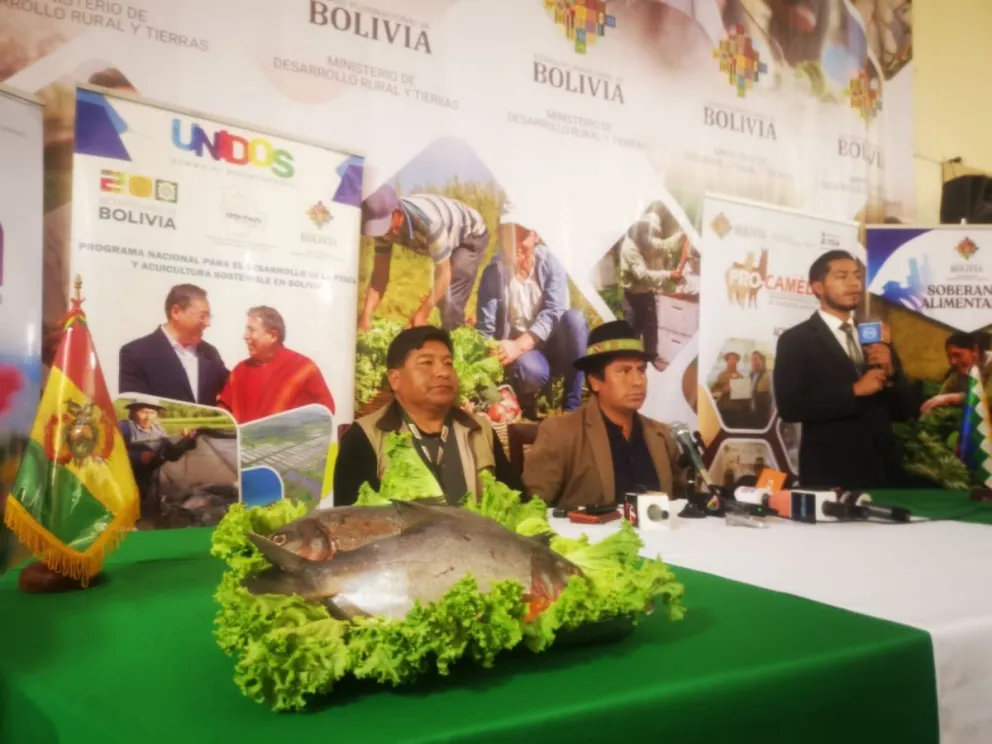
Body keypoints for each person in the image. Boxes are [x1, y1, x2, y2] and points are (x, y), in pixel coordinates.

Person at [773, 250, 917, 490]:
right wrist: (853, 390)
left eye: (857, 276)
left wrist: (893, 373)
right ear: (818, 287)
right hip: (830, 473)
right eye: (842, 276)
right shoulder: (796, 339)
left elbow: (905, 411)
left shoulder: (875, 335)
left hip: (883, 474)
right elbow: (790, 407)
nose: (854, 284)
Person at [334, 326, 521, 506]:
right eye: (426, 363)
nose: (443, 372)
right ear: (395, 379)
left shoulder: (480, 430)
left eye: (448, 363)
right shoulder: (365, 436)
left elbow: (515, 505)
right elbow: (349, 524)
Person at [523, 320, 686, 508]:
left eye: (641, 370)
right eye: (624, 371)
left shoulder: (662, 436)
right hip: (586, 537)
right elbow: (534, 510)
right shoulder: (560, 433)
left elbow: (679, 506)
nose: (638, 381)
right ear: (595, 381)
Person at [475, 204, 588, 413]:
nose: (516, 244)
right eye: (510, 236)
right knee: (529, 370)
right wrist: (494, 351)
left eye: (523, 236)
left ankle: (571, 407)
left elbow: (555, 311)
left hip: (555, 345)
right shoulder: (493, 274)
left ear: (535, 236)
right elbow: (485, 329)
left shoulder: (552, 263)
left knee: (575, 320)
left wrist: (518, 346)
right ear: (501, 237)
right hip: (527, 355)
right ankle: (525, 395)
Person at [359, 184, 490, 331]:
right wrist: (366, 316)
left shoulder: (430, 222)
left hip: (469, 234)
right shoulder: (384, 229)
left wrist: (421, 315)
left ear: (397, 214)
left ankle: (454, 337)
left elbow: (444, 274)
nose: (382, 234)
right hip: (444, 236)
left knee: (450, 298)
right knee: (440, 297)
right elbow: (380, 274)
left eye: (383, 226)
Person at [217, 306, 334, 424]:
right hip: (241, 442)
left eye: (251, 330)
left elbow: (326, 411)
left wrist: (292, 429)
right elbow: (224, 410)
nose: (245, 336)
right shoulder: (239, 371)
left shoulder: (303, 368)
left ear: (273, 336)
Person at [118, 284, 229, 405]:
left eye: (209, 317)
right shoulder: (137, 354)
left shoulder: (210, 353)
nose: (208, 323)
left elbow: (231, 390)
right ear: (176, 312)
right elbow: (135, 408)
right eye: (202, 316)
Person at [619, 209, 687, 370]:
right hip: (632, 299)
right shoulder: (630, 248)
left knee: (651, 331)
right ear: (638, 229)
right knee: (631, 334)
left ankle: (650, 360)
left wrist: (684, 234)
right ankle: (630, 365)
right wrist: (669, 275)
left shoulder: (647, 240)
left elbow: (665, 245)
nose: (649, 235)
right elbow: (643, 275)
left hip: (647, 295)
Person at [118, 397, 198, 523]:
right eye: (144, 412)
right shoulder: (125, 427)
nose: (148, 417)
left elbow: (172, 455)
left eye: (152, 413)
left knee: (149, 513)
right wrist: (137, 457)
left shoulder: (158, 430)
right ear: (133, 412)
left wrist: (188, 440)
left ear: (156, 414)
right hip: (126, 482)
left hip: (150, 483)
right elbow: (111, 453)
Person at [921, 332, 992, 413]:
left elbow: (987, 400)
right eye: (949, 356)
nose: (952, 362)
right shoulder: (957, 373)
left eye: (957, 355)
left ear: (975, 350)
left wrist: (953, 398)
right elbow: (943, 395)